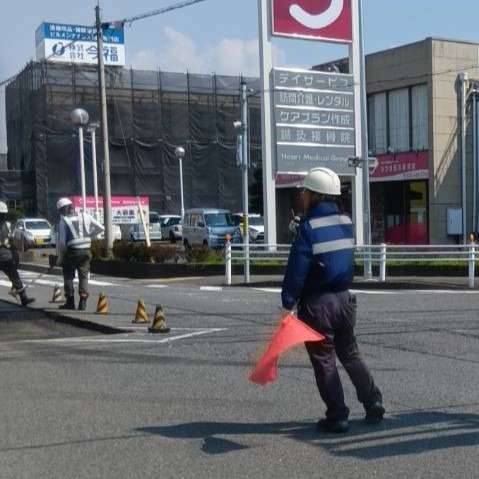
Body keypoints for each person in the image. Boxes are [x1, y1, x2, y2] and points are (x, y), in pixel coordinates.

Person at [281, 168, 384, 434]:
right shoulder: (345, 221)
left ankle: (337, 415)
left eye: (304, 191)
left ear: (315, 195)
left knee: (324, 359)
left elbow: (297, 270)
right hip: (345, 299)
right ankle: (373, 400)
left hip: (318, 305)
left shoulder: (308, 227)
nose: (301, 196)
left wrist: (288, 301)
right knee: (350, 353)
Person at [56, 198, 104, 311]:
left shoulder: (63, 221)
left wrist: (60, 258)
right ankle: (83, 302)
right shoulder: (85, 215)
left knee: (68, 275)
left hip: (71, 251)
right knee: (83, 276)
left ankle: (70, 302)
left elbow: (62, 243)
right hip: (86, 250)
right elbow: (101, 228)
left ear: (62, 210)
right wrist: (88, 236)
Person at [0, 201, 35, 306]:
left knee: (15, 277)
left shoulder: (8, 225)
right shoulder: (7, 224)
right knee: (15, 276)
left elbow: (13, 240)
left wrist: (16, 252)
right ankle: (23, 298)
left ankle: (24, 298)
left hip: (6, 256)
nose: (2, 217)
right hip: (6, 255)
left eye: (3, 214)